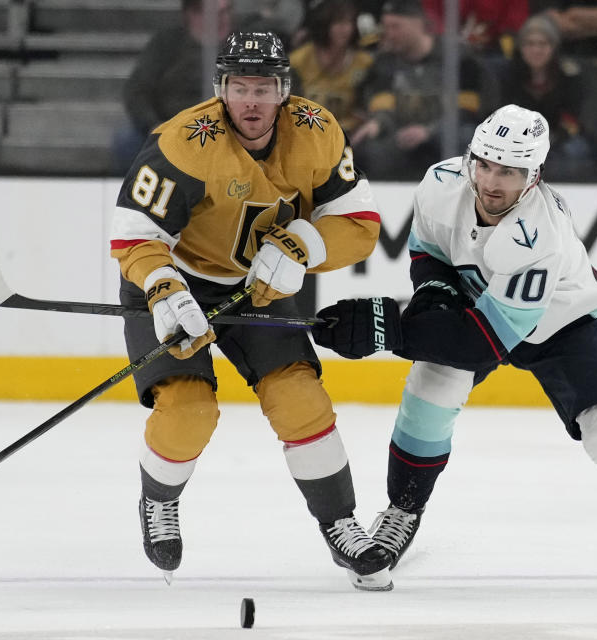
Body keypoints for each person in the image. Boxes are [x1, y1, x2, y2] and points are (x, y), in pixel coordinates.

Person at [311, 104, 597, 590]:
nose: (492, 181)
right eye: (484, 164)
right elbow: (429, 254)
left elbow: (482, 345)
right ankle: (402, 512)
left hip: (566, 322)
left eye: (510, 171)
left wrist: (384, 328)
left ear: (534, 175)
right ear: (470, 157)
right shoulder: (440, 183)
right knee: (430, 390)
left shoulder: (537, 234)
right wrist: (434, 292)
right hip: (481, 305)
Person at [109, 30, 393, 591]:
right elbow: (132, 236)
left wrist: (303, 244)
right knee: (189, 410)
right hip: (173, 286)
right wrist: (163, 286)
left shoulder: (317, 132)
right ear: (221, 90)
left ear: (284, 89)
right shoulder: (184, 142)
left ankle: (341, 525)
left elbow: (360, 228)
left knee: (300, 400)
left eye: (264, 87)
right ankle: (159, 501)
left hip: (256, 289)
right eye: (240, 87)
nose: (253, 101)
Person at [350, 0, 486, 181]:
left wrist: (429, 131)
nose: (388, 34)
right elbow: (383, 105)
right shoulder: (384, 62)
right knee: (367, 148)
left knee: (467, 138)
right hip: (400, 136)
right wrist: (378, 122)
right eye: (386, 27)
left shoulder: (459, 58)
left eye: (395, 26)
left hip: (444, 135)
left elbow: (467, 111)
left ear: (418, 24)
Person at [110, 0, 233, 174]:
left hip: (225, 130)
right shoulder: (166, 44)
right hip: (168, 127)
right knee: (126, 141)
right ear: (192, 14)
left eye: (226, 12)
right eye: (216, 14)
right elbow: (137, 90)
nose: (223, 19)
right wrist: (153, 124)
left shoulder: (238, 46)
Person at [497, 13, 597, 179]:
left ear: (553, 48)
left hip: (562, 138)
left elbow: (577, 115)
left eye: (543, 44)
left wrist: (551, 139)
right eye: (530, 44)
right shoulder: (508, 76)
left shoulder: (569, 75)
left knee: (573, 150)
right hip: (517, 142)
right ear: (521, 48)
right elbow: (500, 115)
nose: (536, 50)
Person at [289, 0, 375, 133]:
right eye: (339, 23)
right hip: (305, 131)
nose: (345, 29)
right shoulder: (299, 60)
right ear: (324, 25)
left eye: (349, 23)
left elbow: (363, 110)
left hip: (347, 133)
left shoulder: (364, 63)